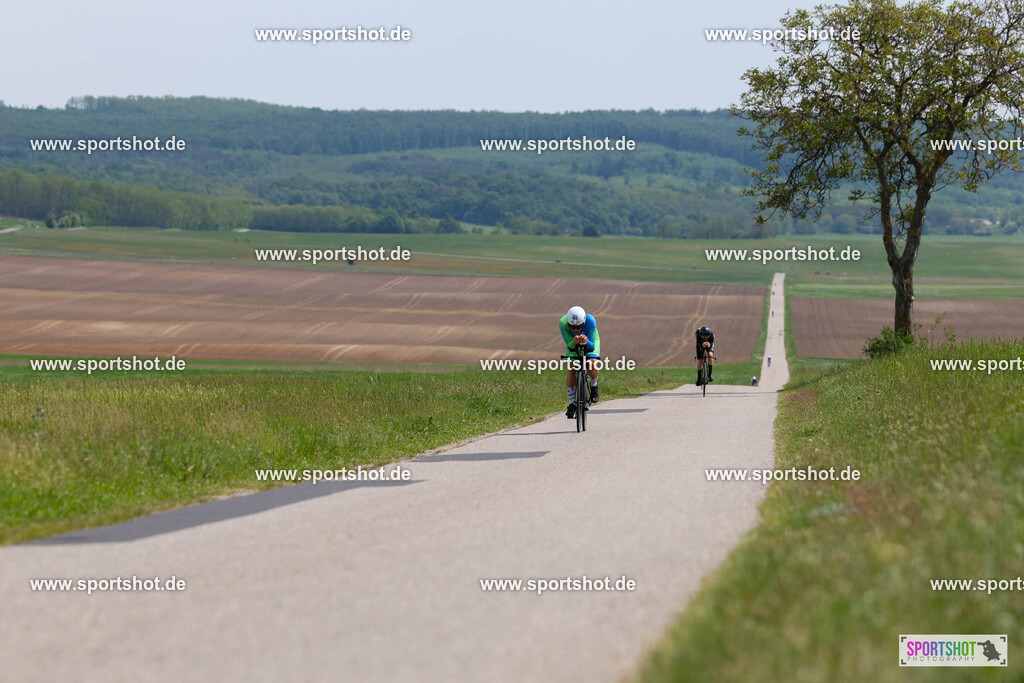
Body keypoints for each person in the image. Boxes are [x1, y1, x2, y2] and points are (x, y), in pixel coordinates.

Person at [560, 306, 600, 419]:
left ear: (584, 323)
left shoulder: (590, 321)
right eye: (572, 327)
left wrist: (587, 342)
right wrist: (574, 341)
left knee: (591, 363)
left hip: (591, 340)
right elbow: (569, 345)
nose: (576, 329)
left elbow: (592, 346)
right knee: (572, 368)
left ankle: (594, 386)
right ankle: (572, 403)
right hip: (572, 342)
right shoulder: (562, 323)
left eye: (579, 327)